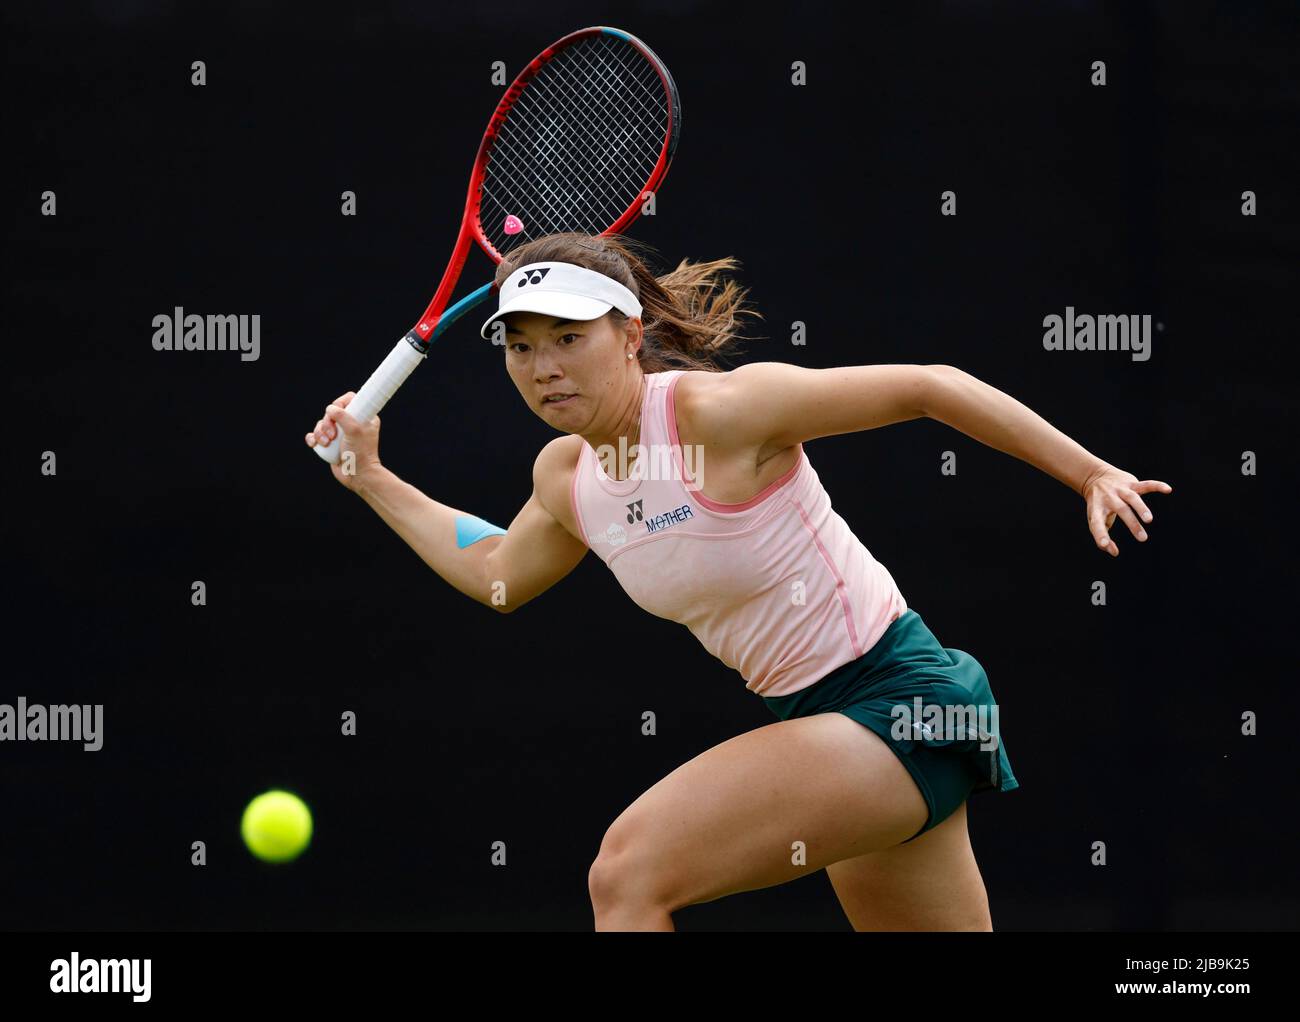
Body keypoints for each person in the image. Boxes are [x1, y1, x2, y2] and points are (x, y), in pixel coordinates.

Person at [305, 232, 1172, 931]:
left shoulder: (718, 415)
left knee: (628, 872)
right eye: (523, 348)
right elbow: (498, 575)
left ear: (631, 335)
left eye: (570, 339)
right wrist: (375, 479)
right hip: (835, 734)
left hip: (895, 697)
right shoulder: (565, 478)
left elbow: (928, 387)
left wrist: (1089, 471)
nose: (545, 368)